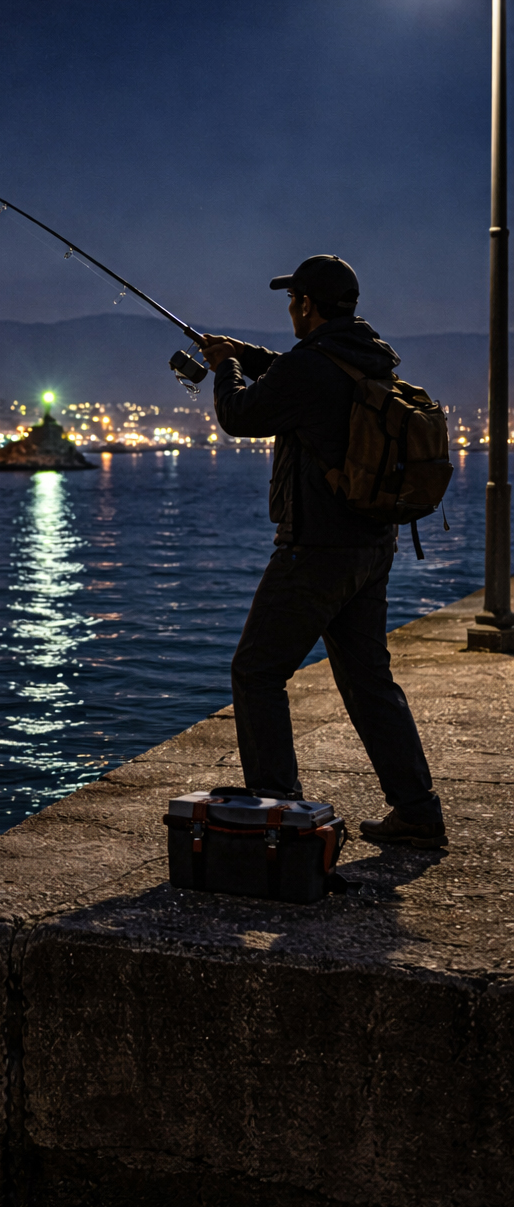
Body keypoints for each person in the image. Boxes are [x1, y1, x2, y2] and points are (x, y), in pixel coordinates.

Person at [198, 254, 447, 850]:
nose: (290, 308)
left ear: (307, 305)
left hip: (315, 548)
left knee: (257, 672)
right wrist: (244, 354)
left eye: (293, 300)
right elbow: (298, 374)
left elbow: (240, 414)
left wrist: (227, 370)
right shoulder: (368, 357)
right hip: (371, 545)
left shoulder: (310, 368)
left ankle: (277, 817)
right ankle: (417, 810)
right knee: (368, 680)